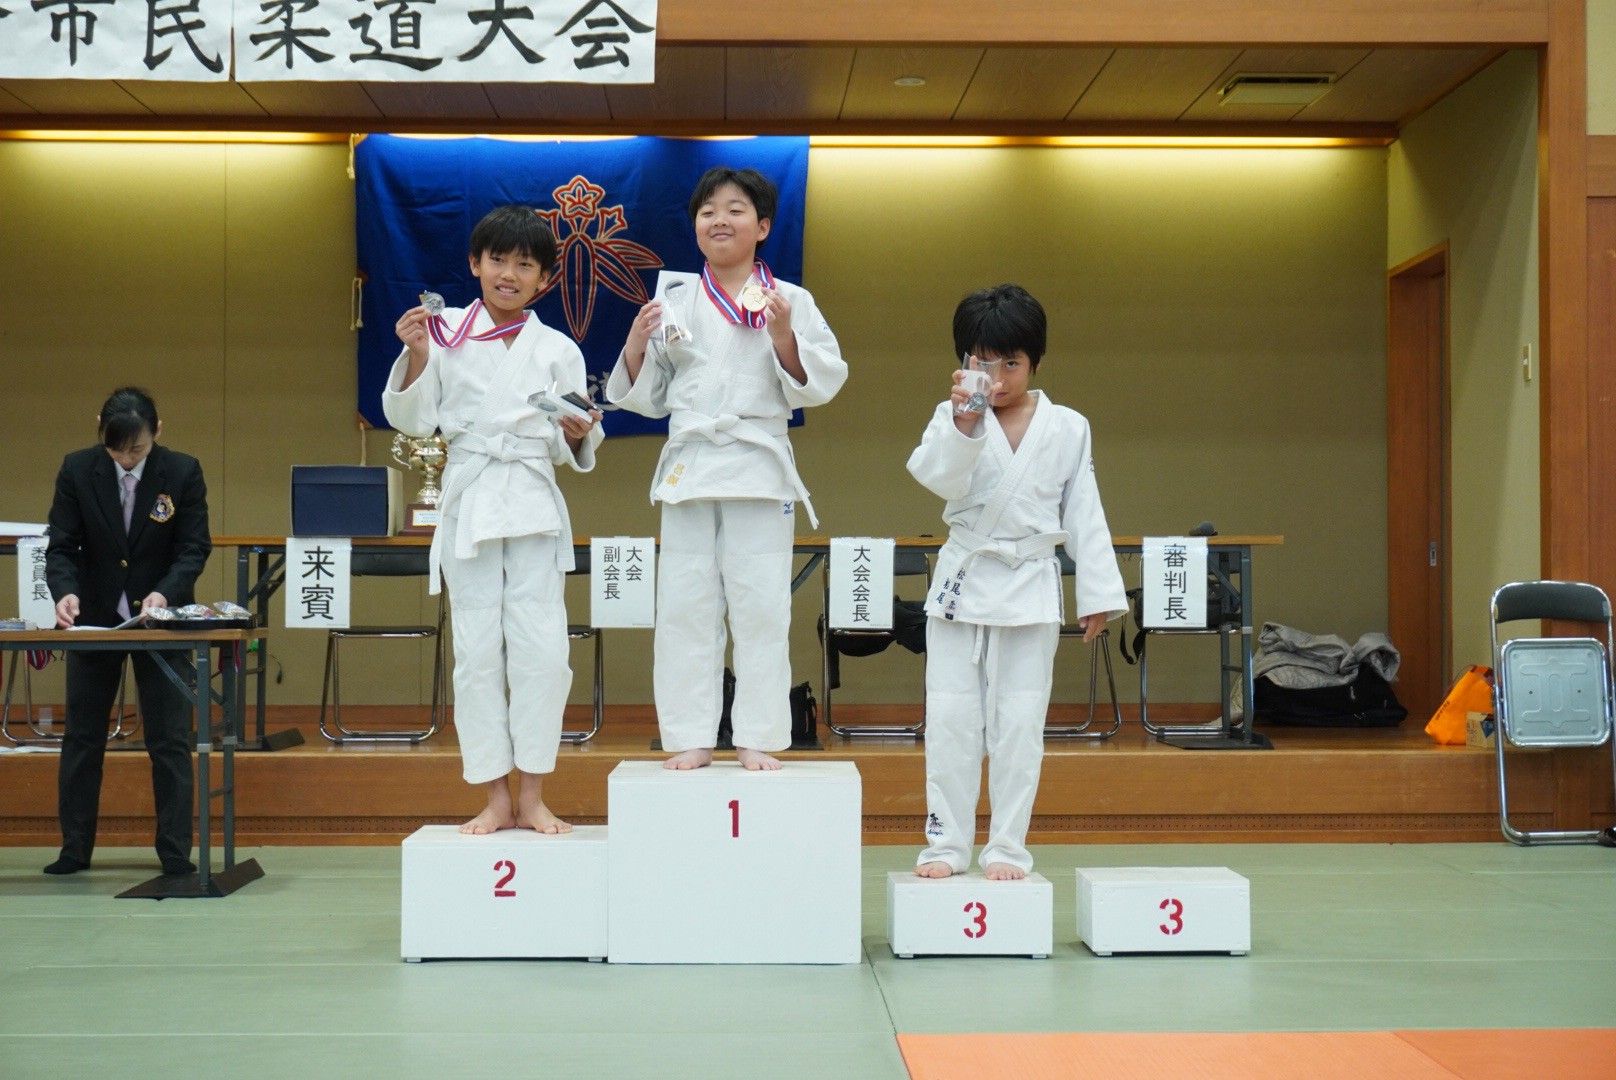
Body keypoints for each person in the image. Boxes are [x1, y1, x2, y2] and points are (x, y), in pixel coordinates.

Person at [608, 166, 847, 771]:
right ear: (695, 225)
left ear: (762, 226)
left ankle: (757, 734)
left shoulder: (790, 299)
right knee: (685, 605)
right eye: (708, 210)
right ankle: (690, 733)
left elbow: (822, 381)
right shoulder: (674, 299)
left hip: (756, 465)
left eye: (736, 210)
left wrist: (784, 334)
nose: (720, 220)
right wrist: (636, 341)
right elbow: (648, 394)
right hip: (691, 463)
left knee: (761, 606)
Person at [386, 204, 603, 835]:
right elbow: (412, 419)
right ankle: (495, 796)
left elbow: (571, 442)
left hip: (531, 501)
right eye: (498, 260)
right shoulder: (444, 332)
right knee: (477, 655)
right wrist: (417, 354)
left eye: (524, 265)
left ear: (544, 279)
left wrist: (578, 431)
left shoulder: (558, 349)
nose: (509, 274)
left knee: (543, 654)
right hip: (472, 498)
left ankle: (532, 792)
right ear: (475, 264)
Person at [906, 285, 1127, 880]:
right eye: (984, 362)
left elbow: (1084, 509)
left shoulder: (1069, 427)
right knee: (951, 722)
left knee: (1021, 725)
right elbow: (937, 480)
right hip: (964, 582)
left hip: (1029, 585)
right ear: (964, 362)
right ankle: (946, 845)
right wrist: (963, 425)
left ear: (1035, 363)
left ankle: (1006, 847)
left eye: (1012, 363)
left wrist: (1098, 595)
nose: (998, 378)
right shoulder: (952, 416)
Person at [44, 388, 210, 877]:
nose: (126, 458)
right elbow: (61, 546)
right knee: (82, 737)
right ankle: (74, 849)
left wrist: (165, 592)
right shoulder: (78, 469)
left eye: (136, 449)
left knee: (169, 739)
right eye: (116, 449)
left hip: (160, 622)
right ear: (101, 430)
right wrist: (64, 593)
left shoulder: (182, 471)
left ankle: (175, 853)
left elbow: (193, 548)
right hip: (95, 617)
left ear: (158, 431)